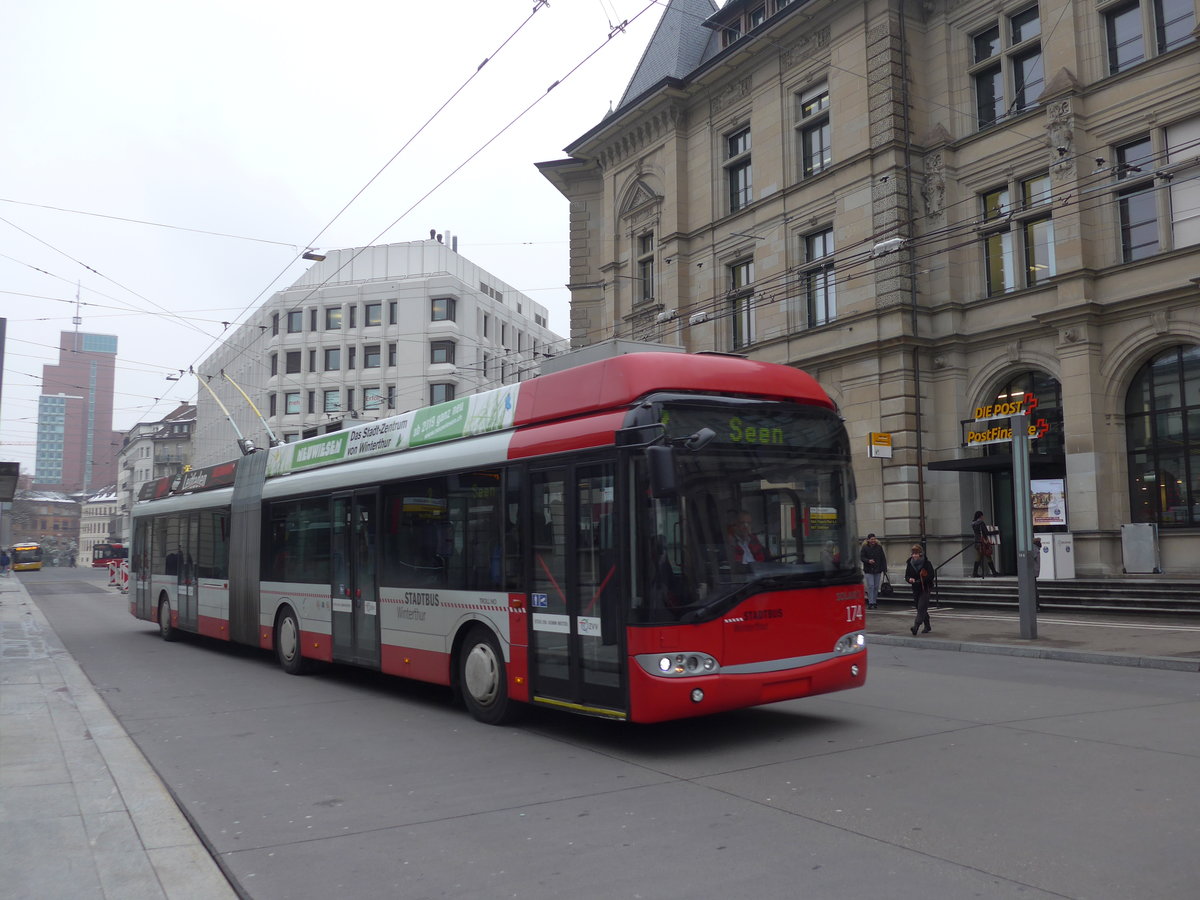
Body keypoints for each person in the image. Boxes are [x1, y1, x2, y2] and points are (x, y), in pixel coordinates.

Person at [905, 544, 935, 634]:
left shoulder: (927, 563)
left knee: (922, 606)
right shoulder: (910, 563)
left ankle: (916, 626)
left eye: (916, 554)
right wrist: (909, 579)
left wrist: (921, 580)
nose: (914, 555)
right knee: (919, 607)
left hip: (926, 588)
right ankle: (928, 626)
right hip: (915, 588)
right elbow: (907, 575)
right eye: (913, 554)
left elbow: (931, 575)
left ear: (921, 554)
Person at [860, 533, 886, 609]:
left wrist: (884, 568)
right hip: (868, 570)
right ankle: (870, 602)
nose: (873, 540)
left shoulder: (879, 547)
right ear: (868, 540)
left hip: (878, 569)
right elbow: (862, 557)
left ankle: (874, 601)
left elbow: (883, 558)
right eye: (872, 539)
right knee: (871, 586)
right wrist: (868, 561)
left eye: (874, 539)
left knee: (876, 586)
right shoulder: (864, 548)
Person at [971, 510, 998, 578]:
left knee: (978, 558)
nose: (983, 517)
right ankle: (994, 572)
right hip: (983, 542)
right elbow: (986, 532)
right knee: (988, 556)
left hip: (977, 542)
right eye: (982, 516)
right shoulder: (981, 523)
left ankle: (974, 573)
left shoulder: (973, 524)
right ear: (980, 516)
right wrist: (996, 532)